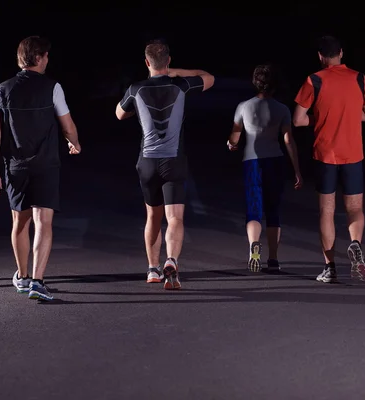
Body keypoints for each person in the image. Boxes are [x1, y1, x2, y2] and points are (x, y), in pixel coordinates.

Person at [115, 39, 214, 290]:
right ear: (168, 61)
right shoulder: (181, 85)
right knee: (175, 217)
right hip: (174, 161)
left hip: (147, 162)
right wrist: (176, 72)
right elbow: (209, 77)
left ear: (146, 62)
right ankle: (172, 260)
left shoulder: (136, 88)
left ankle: (152, 269)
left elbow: (119, 113)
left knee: (153, 216)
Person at [0, 36, 81, 301]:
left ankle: (22, 276)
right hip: (47, 165)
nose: (48, 60)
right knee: (44, 222)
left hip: (15, 167)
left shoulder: (1, 90)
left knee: (20, 222)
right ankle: (38, 281)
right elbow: (67, 124)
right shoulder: (53, 87)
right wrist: (74, 143)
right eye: (47, 56)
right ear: (39, 58)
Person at [292, 36, 365, 283]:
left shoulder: (314, 80)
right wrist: (350, 115)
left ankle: (329, 267)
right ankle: (354, 243)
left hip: (325, 155)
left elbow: (298, 120)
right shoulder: (359, 78)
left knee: (327, 211)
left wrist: (321, 118)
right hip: (353, 154)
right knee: (355, 208)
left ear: (320, 56)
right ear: (341, 52)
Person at [227, 64, 303, 272]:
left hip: (251, 161)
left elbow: (235, 136)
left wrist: (231, 144)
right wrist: (297, 169)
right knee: (273, 211)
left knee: (254, 209)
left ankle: (254, 246)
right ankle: (274, 259)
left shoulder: (243, 107)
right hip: (275, 160)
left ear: (255, 83)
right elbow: (288, 140)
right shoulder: (282, 109)